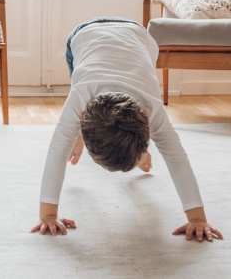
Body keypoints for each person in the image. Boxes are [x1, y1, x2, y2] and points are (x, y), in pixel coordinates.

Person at [30, 17, 221, 242]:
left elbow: (177, 159)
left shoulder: (152, 106)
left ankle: (118, 142)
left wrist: (197, 218)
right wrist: (48, 214)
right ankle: (81, 134)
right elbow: (56, 153)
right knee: (67, 133)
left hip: (138, 37)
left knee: (86, 127)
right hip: (84, 37)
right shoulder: (80, 95)